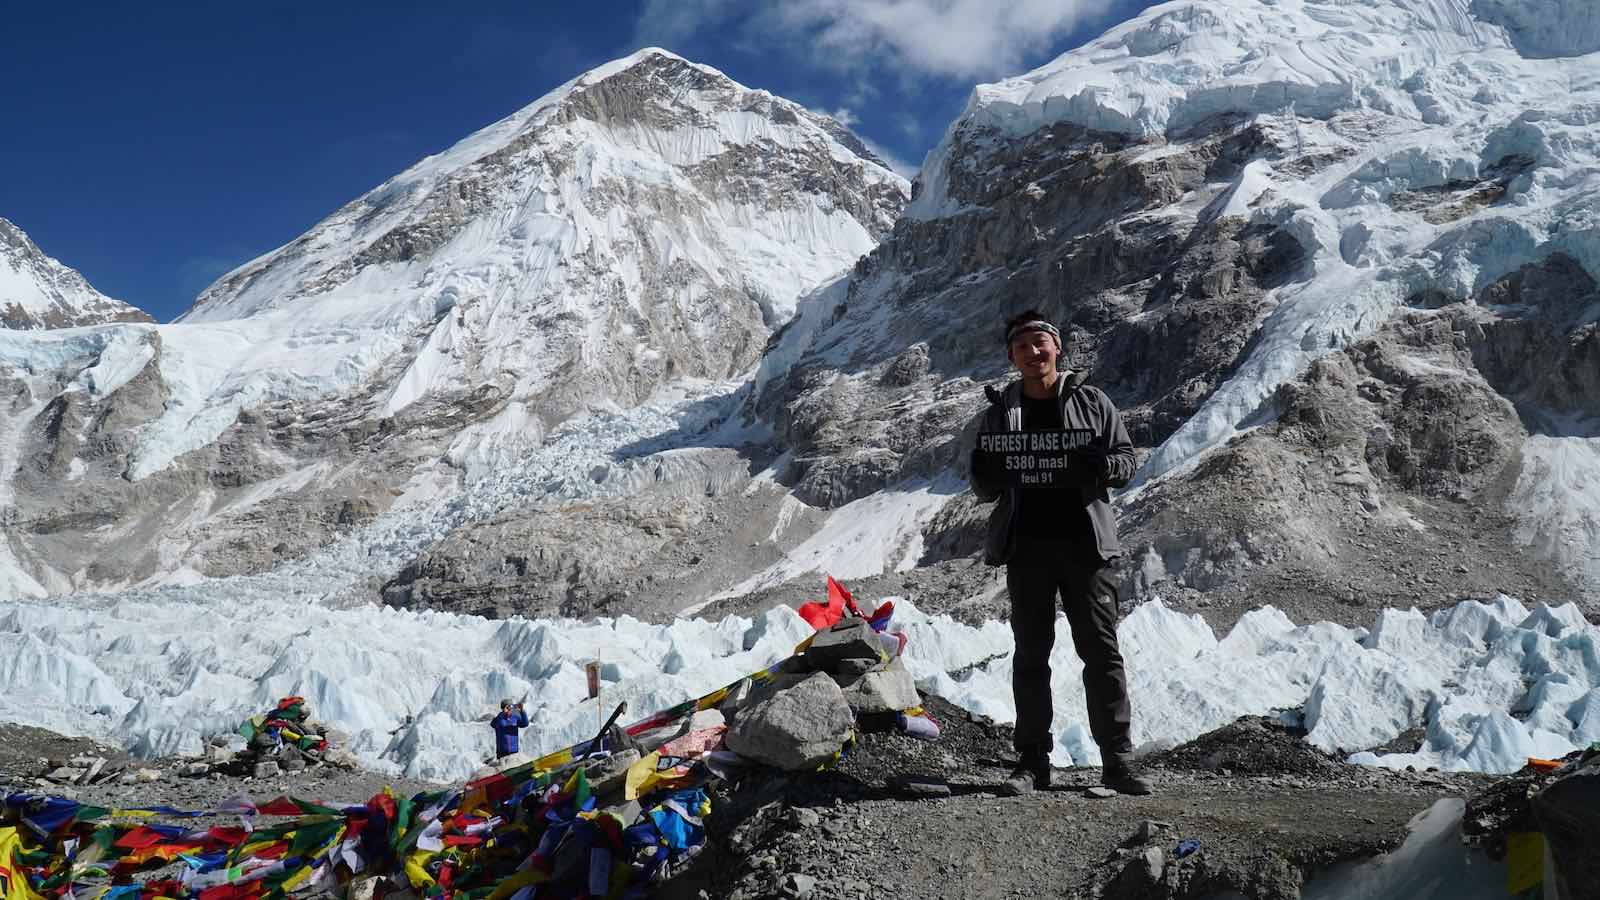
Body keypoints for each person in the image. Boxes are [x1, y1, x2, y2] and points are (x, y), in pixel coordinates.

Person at [967, 309, 1151, 796]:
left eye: (1040, 343)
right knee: (1031, 656)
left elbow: (1126, 460)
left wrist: (1101, 464)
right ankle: (1031, 763)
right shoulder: (998, 414)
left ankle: (1118, 761)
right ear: (1012, 356)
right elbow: (985, 488)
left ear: (1057, 348)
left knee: (1101, 653)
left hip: (1086, 546)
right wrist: (984, 469)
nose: (1033, 352)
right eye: (1022, 346)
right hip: (1027, 548)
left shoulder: (1093, 403)